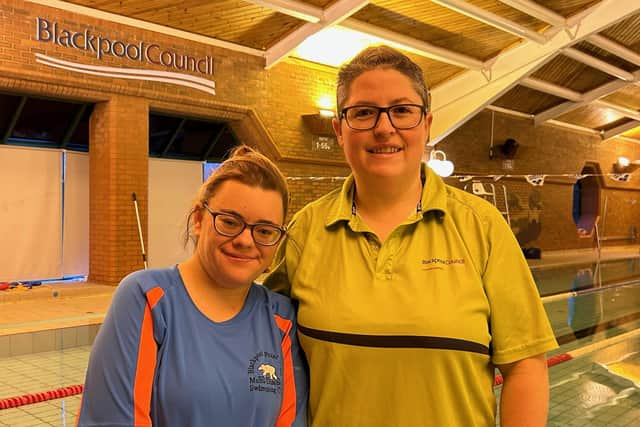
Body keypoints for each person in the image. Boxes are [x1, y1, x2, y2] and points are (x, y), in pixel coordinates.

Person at [265, 46, 558, 426]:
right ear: (339, 130)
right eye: (364, 112)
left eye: (402, 110)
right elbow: (253, 336)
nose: (384, 127)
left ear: (427, 124)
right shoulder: (306, 230)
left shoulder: (480, 227)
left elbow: (525, 367)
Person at [77, 146, 308, 427]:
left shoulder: (281, 319)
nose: (246, 241)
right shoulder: (147, 300)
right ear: (199, 219)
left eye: (264, 231)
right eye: (230, 222)